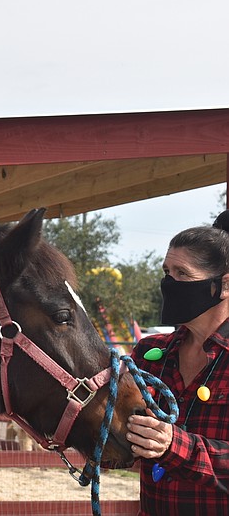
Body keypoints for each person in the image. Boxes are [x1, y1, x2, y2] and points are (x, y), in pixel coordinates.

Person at [128, 211, 229, 515]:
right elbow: (117, 440)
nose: (169, 283)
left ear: (224, 286)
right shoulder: (148, 353)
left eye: (182, 273)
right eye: (166, 271)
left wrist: (175, 447)